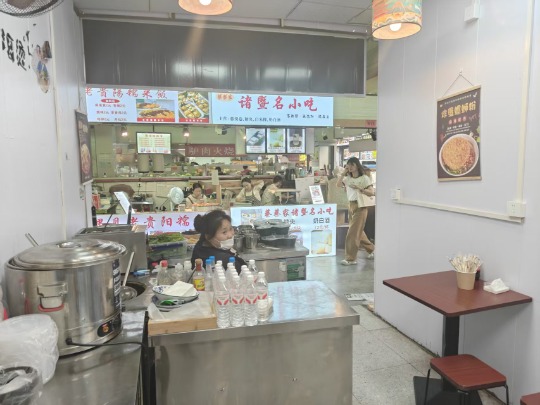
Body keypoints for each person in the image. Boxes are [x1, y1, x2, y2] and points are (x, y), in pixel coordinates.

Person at [337, 157, 375, 265]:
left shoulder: (364, 178)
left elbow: (371, 192)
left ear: (357, 166)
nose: (349, 167)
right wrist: (343, 173)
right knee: (358, 232)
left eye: (352, 165)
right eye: (348, 165)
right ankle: (372, 249)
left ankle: (350, 259)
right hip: (351, 206)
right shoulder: (348, 178)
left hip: (361, 206)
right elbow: (338, 184)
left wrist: (360, 188)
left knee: (352, 233)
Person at [191, 210, 247, 274]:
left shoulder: (201, 245)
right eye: (224, 232)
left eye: (231, 228)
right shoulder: (225, 261)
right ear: (208, 236)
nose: (230, 235)